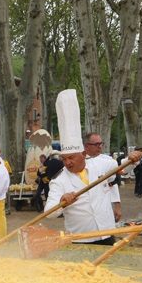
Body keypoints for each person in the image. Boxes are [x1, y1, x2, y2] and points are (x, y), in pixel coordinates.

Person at [44, 90, 131, 245]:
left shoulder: (101, 163)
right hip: (81, 239)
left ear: (83, 154)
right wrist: (62, 202)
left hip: (107, 232)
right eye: (64, 159)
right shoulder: (59, 180)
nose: (67, 162)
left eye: (71, 158)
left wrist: (133, 160)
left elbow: (123, 169)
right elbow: (48, 212)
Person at [83, 132, 122, 221]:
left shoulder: (108, 161)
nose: (100, 146)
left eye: (101, 143)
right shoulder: (77, 162)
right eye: (96, 144)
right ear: (86, 146)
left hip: (103, 209)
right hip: (84, 213)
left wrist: (117, 205)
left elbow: (112, 184)